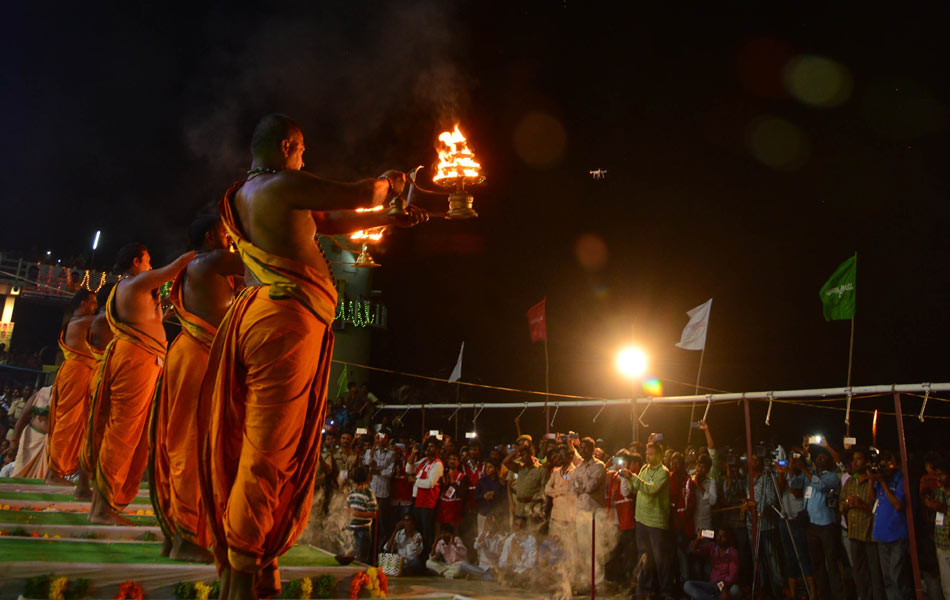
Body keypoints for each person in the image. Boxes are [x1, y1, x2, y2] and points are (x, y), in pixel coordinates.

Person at [196, 114, 422, 599]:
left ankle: (251, 570)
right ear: (286, 147)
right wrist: (391, 182)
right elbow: (361, 193)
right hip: (284, 324)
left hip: (260, 314)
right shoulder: (282, 184)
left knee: (262, 451)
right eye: (301, 151)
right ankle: (238, 581)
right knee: (266, 455)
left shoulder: (243, 195)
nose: (305, 160)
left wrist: (388, 217)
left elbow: (332, 221)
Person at [151, 216, 243, 563]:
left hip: (192, 355)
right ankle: (187, 537)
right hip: (198, 359)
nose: (229, 238)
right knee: (191, 445)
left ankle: (176, 532)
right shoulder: (211, 260)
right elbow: (262, 258)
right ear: (209, 236)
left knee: (184, 442)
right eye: (225, 232)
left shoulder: (203, 265)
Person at [86, 243, 194, 526]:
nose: (150, 265)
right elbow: (176, 266)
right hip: (136, 360)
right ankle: (101, 509)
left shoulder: (132, 288)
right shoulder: (135, 281)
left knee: (129, 432)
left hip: (142, 361)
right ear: (136, 262)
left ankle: (105, 503)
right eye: (147, 260)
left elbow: (150, 319)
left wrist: (166, 313)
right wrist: (205, 251)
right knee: (122, 432)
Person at [46, 290, 98, 485]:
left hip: (77, 372)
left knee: (76, 422)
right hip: (76, 373)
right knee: (67, 422)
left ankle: (59, 470)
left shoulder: (78, 321)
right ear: (83, 303)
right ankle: (53, 473)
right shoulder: (82, 322)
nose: (95, 307)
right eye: (93, 303)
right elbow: (111, 319)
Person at [75, 297, 114, 501]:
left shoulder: (108, 319)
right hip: (102, 376)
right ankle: (84, 486)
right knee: (96, 432)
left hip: (108, 375)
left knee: (103, 432)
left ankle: (91, 485)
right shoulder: (102, 320)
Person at [625, 441, 673, 598]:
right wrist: (627, 479)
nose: (647, 455)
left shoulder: (663, 472)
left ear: (658, 455)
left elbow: (650, 489)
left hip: (656, 523)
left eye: (651, 453)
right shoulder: (644, 468)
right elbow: (636, 488)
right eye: (647, 452)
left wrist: (633, 478)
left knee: (661, 560)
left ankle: (665, 591)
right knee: (645, 557)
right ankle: (645, 590)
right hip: (641, 520)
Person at [841, 448, 885, 600]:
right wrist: (846, 505)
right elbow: (841, 504)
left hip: (870, 534)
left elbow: (877, 507)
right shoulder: (849, 482)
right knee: (859, 571)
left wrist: (862, 505)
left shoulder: (872, 481)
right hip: (854, 534)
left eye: (858, 459)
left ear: (866, 461)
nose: (854, 463)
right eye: (853, 460)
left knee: (875, 573)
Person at [803, 443, 844, 600]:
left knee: (831, 563)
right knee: (817, 563)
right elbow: (808, 492)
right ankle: (824, 594)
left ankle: (838, 595)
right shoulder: (812, 475)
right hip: (812, 525)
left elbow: (821, 486)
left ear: (828, 462)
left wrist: (804, 470)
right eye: (818, 457)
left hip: (826, 525)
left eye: (823, 458)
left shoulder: (832, 477)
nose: (819, 460)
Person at [872, 450, 913, 600]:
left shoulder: (900, 479)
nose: (884, 469)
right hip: (881, 535)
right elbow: (872, 500)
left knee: (898, 577)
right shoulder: (881, 481)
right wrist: (873, 479)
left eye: (886, 465)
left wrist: (883, 482)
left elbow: (898, 505)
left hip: (896, 535)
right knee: (888, 578)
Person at [683, 529, 741, 600]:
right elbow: (694, 550)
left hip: (725, 586)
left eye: (722, 536)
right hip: (712, 585)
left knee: (735, 590)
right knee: (687, 585)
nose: (719, 538)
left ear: (728, 538)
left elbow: (732, 577)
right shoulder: (713, 547)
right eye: (718, 535)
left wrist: (723, 589)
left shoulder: (733, 552)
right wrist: (698, 539)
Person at [10, 386, 52, 478]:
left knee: (44, 476)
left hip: (51, 442)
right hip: (31, 439)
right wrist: (14, 442)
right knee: (20, 471)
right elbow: (22, 419)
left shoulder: (68, 398)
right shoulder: (39, 395)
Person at [922, 459, 949, 599]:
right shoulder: (939, 492)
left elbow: (942, 510)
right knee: (946, 586)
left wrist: (943, 508)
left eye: (942, 475)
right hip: (941, 544)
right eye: (937, 475)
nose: (939, 478)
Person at [412, 439, 444, 552]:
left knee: (427, 531)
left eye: (432, 447)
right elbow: (408, 469)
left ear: (437, 450)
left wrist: (414, 481)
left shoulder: (438, 464)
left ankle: (427, 556)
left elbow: (430, 483)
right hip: (418, 499)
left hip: (428, 501)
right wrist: (412, 454)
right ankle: (420, 555)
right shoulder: (424, 461)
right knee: (419, 530)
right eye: (428, 446)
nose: (429, 449)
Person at [363, 432, 395, 545]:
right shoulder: (370, 451)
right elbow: (368, 462)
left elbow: (390, 472)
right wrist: (373, 446)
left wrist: (377, 471)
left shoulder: (391, 454)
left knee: (381, 522)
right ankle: (370, 546)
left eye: (384, 437)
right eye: (379, 437)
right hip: (371, 491)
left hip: (383, 492)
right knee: (370, 521)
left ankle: (381, 547)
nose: (381, 439)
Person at [544, 445, 577, 541]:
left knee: (568, 546)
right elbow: (547, 489)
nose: (560, 458)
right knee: (554, 546)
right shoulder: (556, 472)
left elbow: (572, 490)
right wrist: (560, 492)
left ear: (570, 456)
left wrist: (555, 491)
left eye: (563, 455)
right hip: (555, 516)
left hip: (568, 518)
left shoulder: (575, 472)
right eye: (559, 455)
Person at [346, 467, 378, 565]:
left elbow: (373, 514)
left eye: (362, 484)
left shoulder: (370, 495)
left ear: (367, 482)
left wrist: (356, 513)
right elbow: (347, 509)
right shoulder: (351, 493)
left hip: (363, 531)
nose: (359, 487)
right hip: (351, 530)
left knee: (361, 560)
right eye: (357, 484)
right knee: (350, 557)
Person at [459, 515, 505, 581]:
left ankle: (475, 575)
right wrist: (484, 533)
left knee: (492, 578)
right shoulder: (483, 535)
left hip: (493, 569)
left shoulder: (500, 538)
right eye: (488, 523)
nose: (490, 525)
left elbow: (500, 555)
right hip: (482, 568)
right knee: (463, 564)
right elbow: (476, 546)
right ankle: (478, 575)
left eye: (492, 523)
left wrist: (497, 568)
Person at [436, 452, 468, 529]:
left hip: (455, 507)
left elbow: (462, 494)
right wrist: (445, 483)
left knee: (454, 532)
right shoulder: (442, 474)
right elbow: (437, 491)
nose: (452, 461)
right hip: (442, 507)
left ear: (458, 462)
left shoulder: (462, 477)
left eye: (454, 459)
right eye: (450, 459)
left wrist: (453, 482)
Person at [474, 461, 505, 533]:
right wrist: (483, 496)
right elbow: (475, 497)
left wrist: (495, 494)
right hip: (483, 514)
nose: (487, 469)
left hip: (497, 515)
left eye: (490, 467)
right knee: (482, 537)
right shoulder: (481, 481)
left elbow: (504, 498)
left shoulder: (500, 482)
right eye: (486, 467)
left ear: (496, 469)